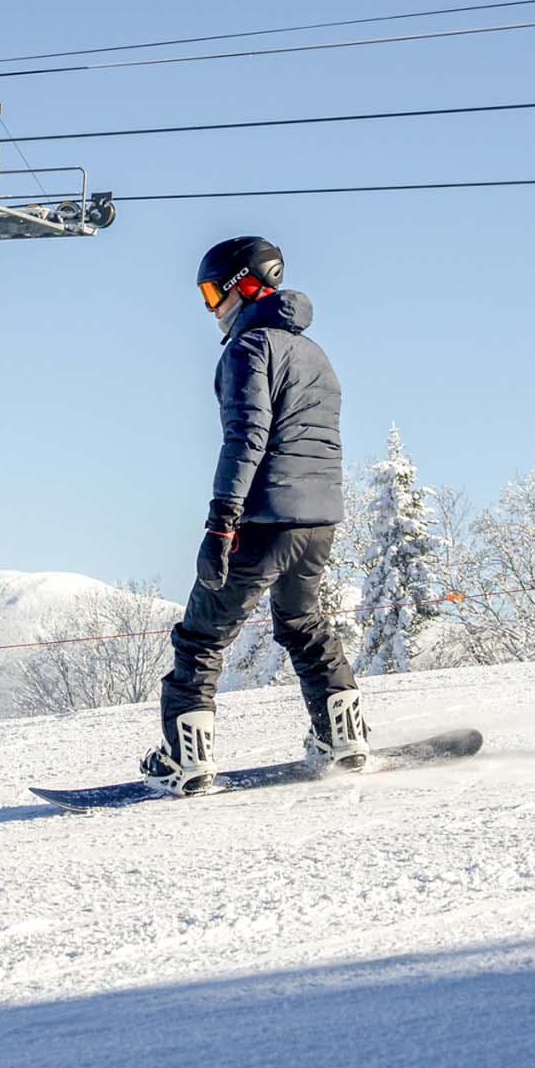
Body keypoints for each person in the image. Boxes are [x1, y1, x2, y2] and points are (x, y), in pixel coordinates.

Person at [142, 236, 365, 795]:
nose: (210, 306)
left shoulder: (249, 349)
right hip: (318, 520)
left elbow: (246, 437)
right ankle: (345, 739)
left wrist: (222, 519)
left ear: (246, 283)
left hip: (263, 517)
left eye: (213, 290)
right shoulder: (315, 352)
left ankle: (185, 760)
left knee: (202, 636)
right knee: (302, 624)